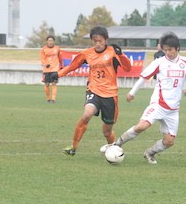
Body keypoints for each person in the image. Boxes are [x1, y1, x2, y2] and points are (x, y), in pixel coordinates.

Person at [101, 31, 186, 164]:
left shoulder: (185, 62)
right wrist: (132, 92)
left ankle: (149, 153)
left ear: (178, 48)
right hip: (158, 104)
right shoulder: (159, 62)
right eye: (165, 50)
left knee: (169, 141)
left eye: (170, 50)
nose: (168, 53)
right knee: (141, 126)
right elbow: (144, 77)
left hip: (173, 110)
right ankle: (116, 145)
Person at [51, 26, 132, 156]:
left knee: (107, 131)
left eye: (100, 40)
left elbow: (128, 68)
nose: (98, 43)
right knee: (87, 115)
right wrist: (58, 74)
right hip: (93, 90)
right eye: (95, 40)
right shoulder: (87, 53)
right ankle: (73, 147)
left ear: (106, 40)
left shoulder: (112, 52)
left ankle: (112, 148)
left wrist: (121, 55)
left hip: (110, 95)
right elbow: (73, 66)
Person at [41, 35, 63, 103]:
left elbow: (60, 57)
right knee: (47, 84)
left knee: (54, 83)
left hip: (55, 69)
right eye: (49, 41)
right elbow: (42, 59)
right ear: (47, 41)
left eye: (51, 41)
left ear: (54, 41)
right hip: (46, 69)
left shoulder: (57, 48)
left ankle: (53, 99)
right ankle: (48, 98)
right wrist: (45, 64)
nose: (50, 42)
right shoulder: (43, 49)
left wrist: (61, 64)